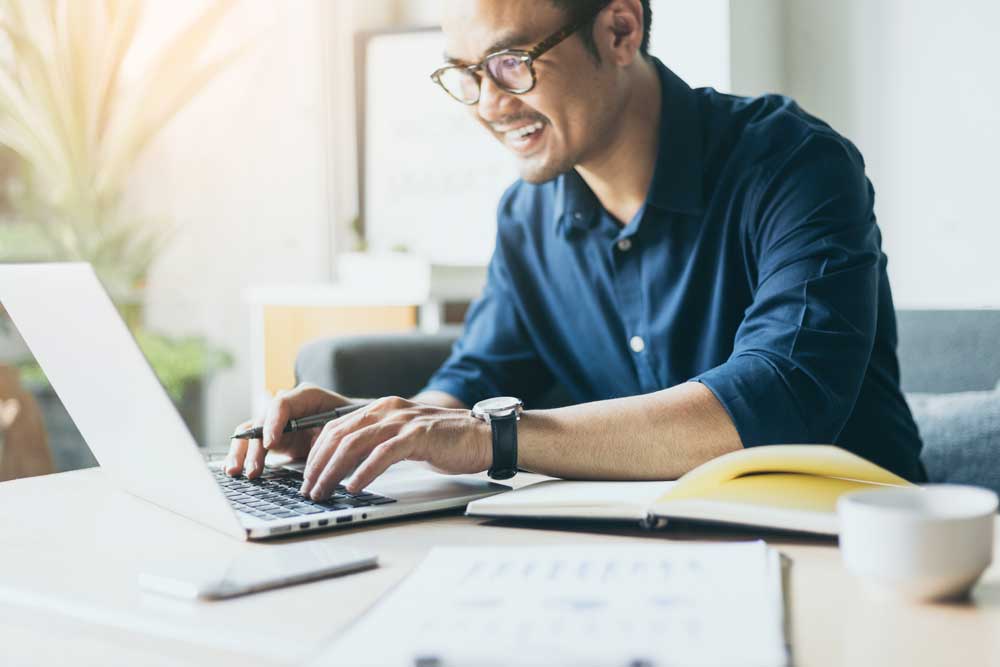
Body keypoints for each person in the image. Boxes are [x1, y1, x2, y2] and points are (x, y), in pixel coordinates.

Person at [225, 0, 925, 501]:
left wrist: (491, 435)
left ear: (620, 29)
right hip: (653, 551)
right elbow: (471, 381)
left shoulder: (796, 164)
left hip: (854, 545)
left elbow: (781, 399)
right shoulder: (528, 217)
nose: (487, 104)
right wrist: (372, 425)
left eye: (509, 62)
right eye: (465, 73)